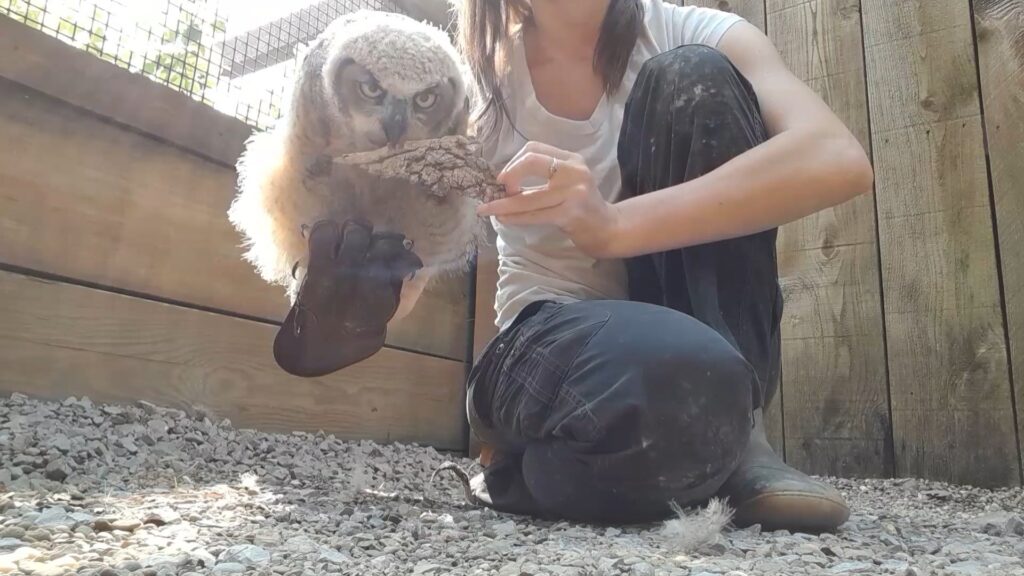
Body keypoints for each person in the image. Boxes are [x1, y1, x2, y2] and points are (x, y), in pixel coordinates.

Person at [453, 0, 874, 531]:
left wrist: (614, 226)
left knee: (692, 74)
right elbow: (421, 239)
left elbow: (836, 158)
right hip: (550, 332)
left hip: (706, 360)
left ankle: (733, 439)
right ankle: (552, 463)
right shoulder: (473, 82)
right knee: (672, 384)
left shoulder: (696, 31)